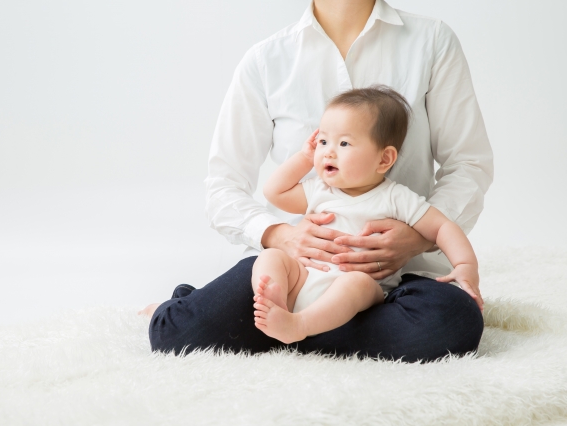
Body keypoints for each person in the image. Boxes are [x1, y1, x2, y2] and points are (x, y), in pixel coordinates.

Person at [143, 0, 493, 363]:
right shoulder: (265, 60)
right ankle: (302, 324)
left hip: (398, 281)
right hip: (299, 275)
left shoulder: (432, 40)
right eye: (325, 141)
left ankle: (294, 331)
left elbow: (468, 165)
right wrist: (280, 236)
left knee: (453, 320)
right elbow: (223, 186)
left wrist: (418, 239)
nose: (330, 151)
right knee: (177, 334)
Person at [251, 86, 483, 345]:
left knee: (356, 283)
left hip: (363, 294)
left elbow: (441, 227)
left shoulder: (395, 197)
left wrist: (465, 265)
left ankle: (300, 325)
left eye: (344, 143)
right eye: (323, 141)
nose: (327, 151)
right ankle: (277, 304)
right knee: (271, 256)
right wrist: (305, 158)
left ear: (384, 159)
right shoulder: (320, 189)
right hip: (305, 278)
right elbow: (274, 192)